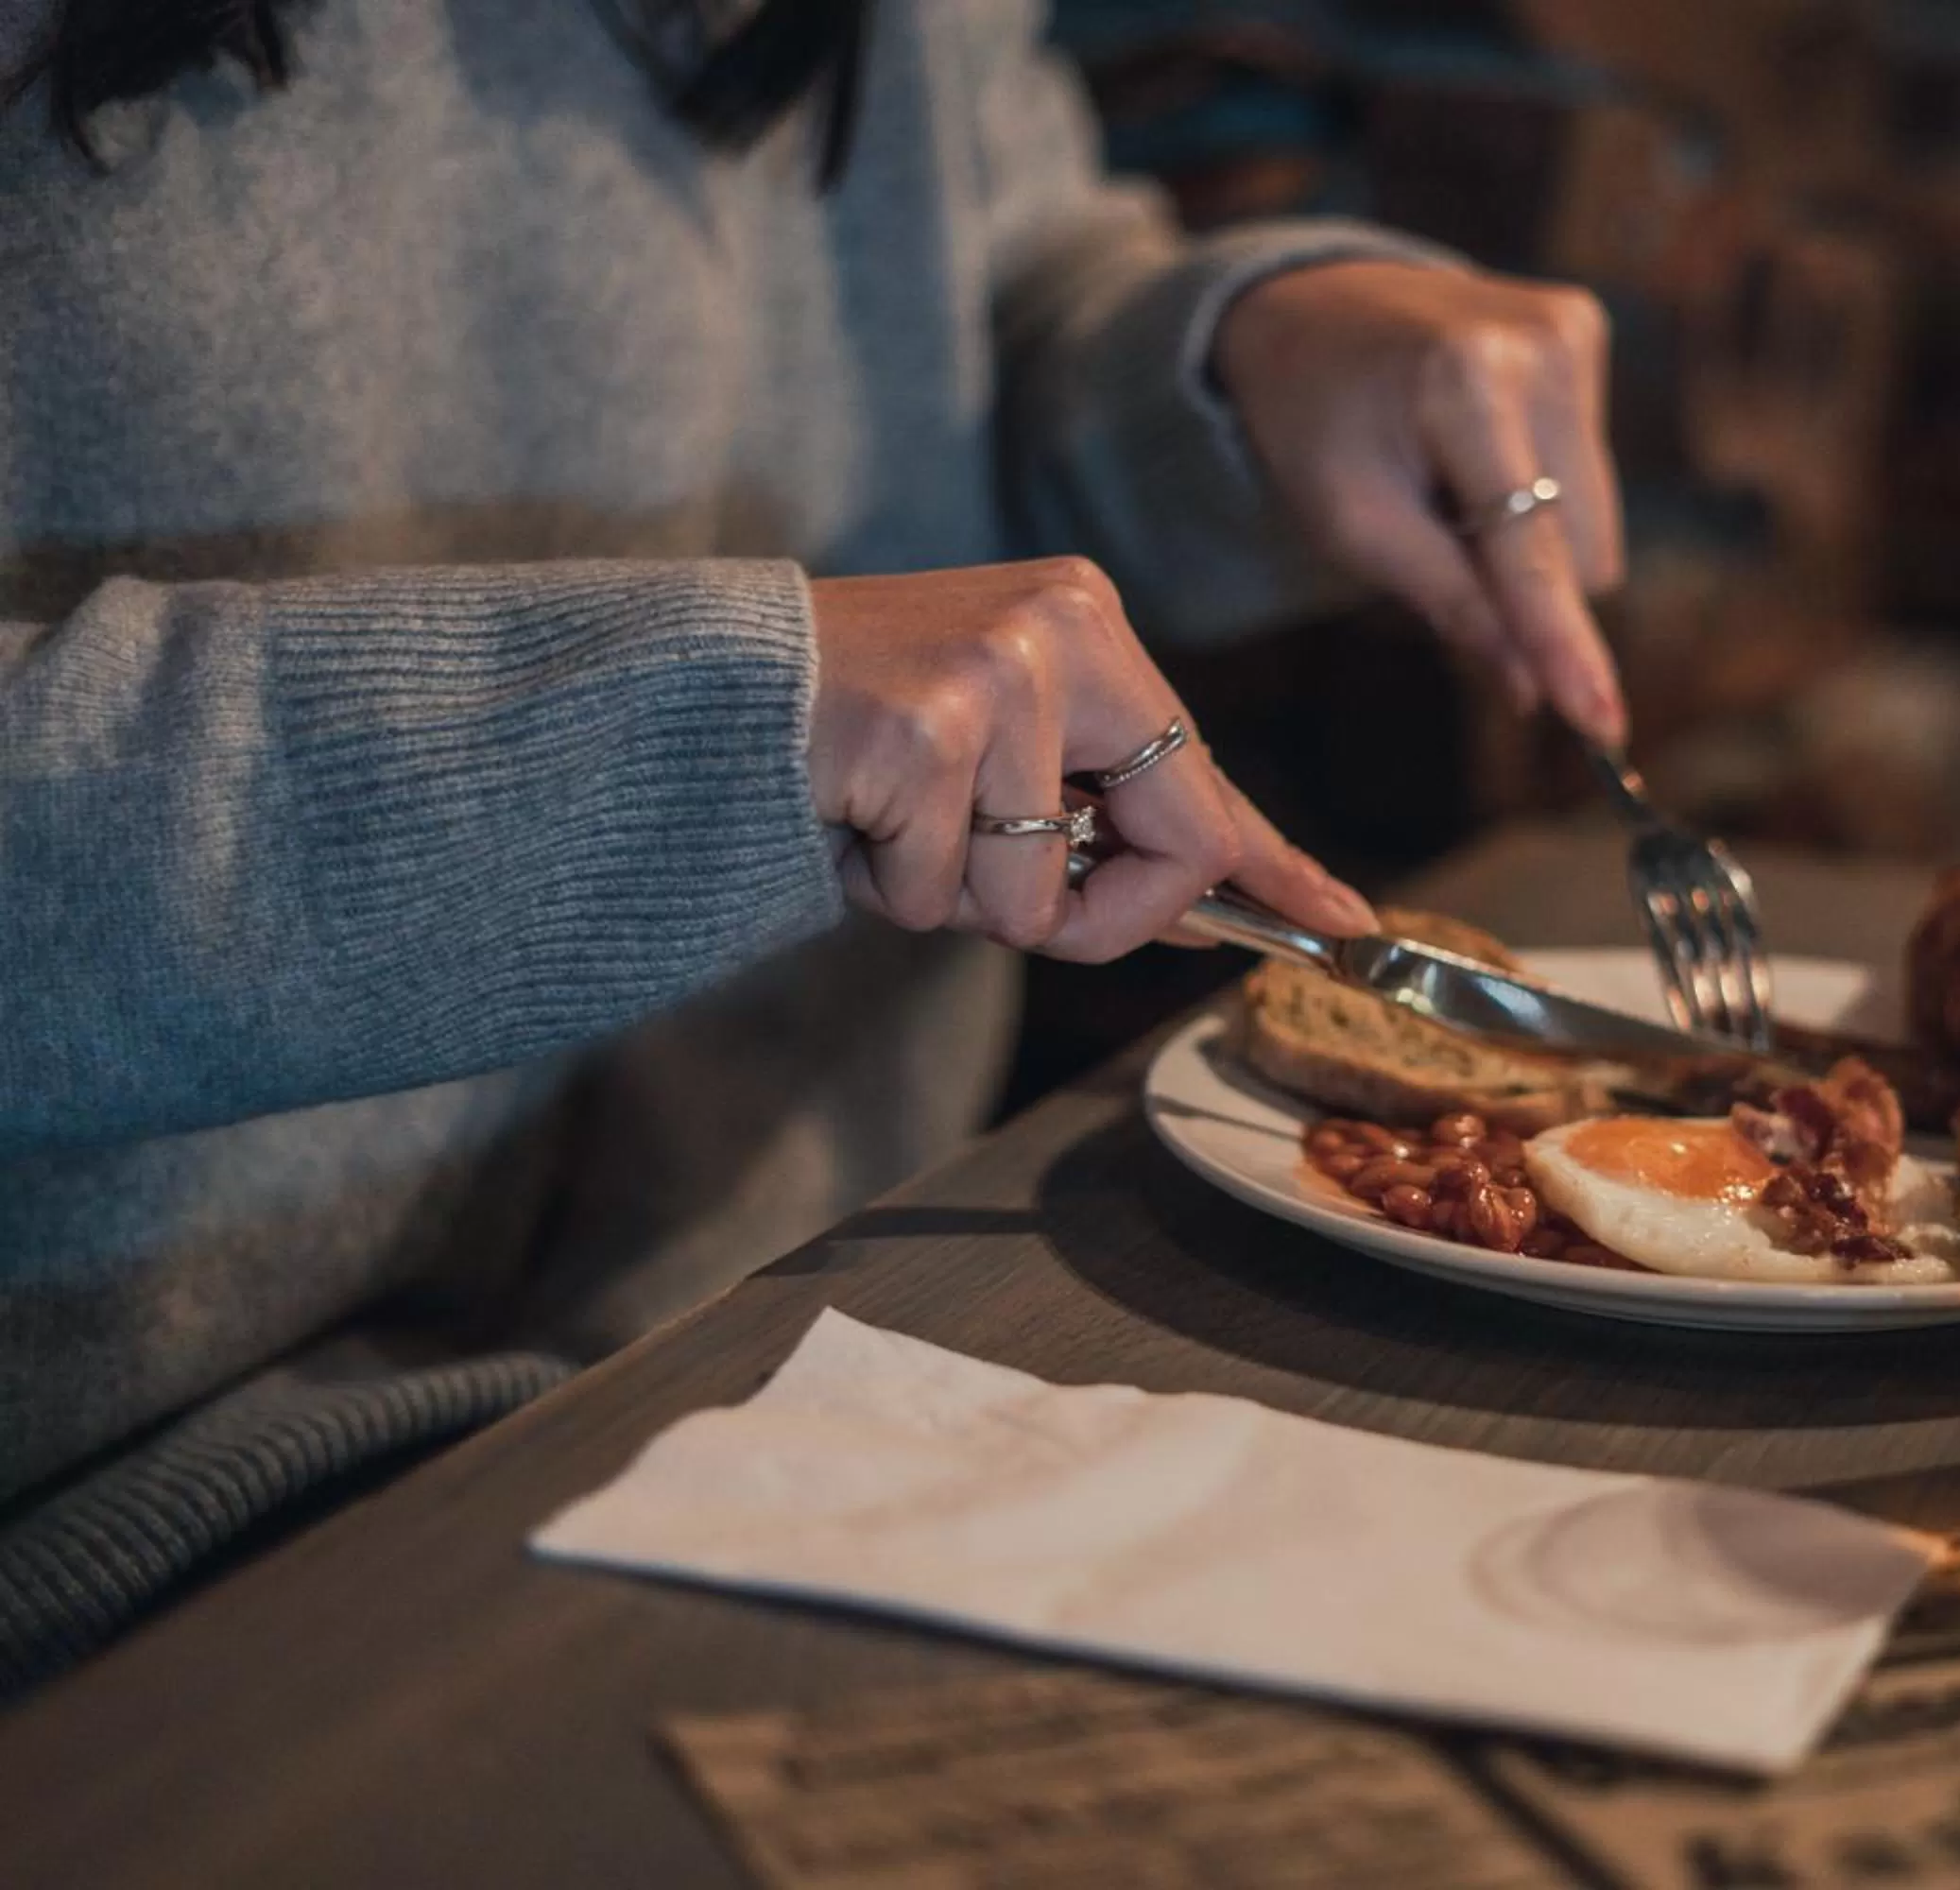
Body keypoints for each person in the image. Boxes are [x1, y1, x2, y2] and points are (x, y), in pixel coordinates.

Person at [0, 0, 1628, 1685]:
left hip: (835, 1344)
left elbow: (979, 289)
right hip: (132, 1572)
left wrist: (1245, 357)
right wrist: (692, 739)